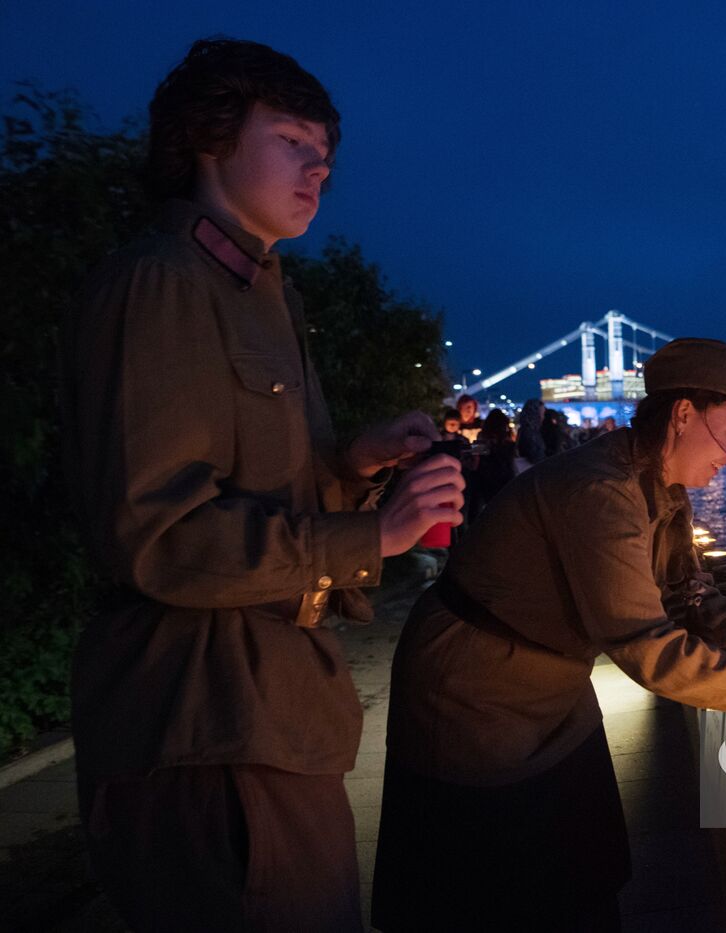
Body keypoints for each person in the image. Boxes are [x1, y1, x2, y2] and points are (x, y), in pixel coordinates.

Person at [59, 38, 464, 932]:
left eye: (326, 156)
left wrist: (348, 465)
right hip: (210, 725)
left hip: (269, 713)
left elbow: (247, 484)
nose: (318, 170)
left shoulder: (260, 291)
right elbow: (159, 535)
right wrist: (376, 537)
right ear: (209, 138)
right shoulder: (162, 283)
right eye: (291, 141)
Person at [372, 338, 726, 931]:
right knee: (490, 882)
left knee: (585, 861)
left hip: (552, 680)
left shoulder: (656, 485)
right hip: (473, 687)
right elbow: (647, 649)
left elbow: (690, 597)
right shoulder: (601, 489)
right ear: (684, 414)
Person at [466, 408, 519, 522]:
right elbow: (514, 460)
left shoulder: (482, 437)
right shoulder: (509, 442)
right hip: (505, 478)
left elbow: (476, 459)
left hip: (484, 477)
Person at [516, 396, 546, 464]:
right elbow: (535, 457)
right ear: (536, 414)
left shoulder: (525, 430)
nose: (543, 417)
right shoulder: (530, 433)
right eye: (542, 413)